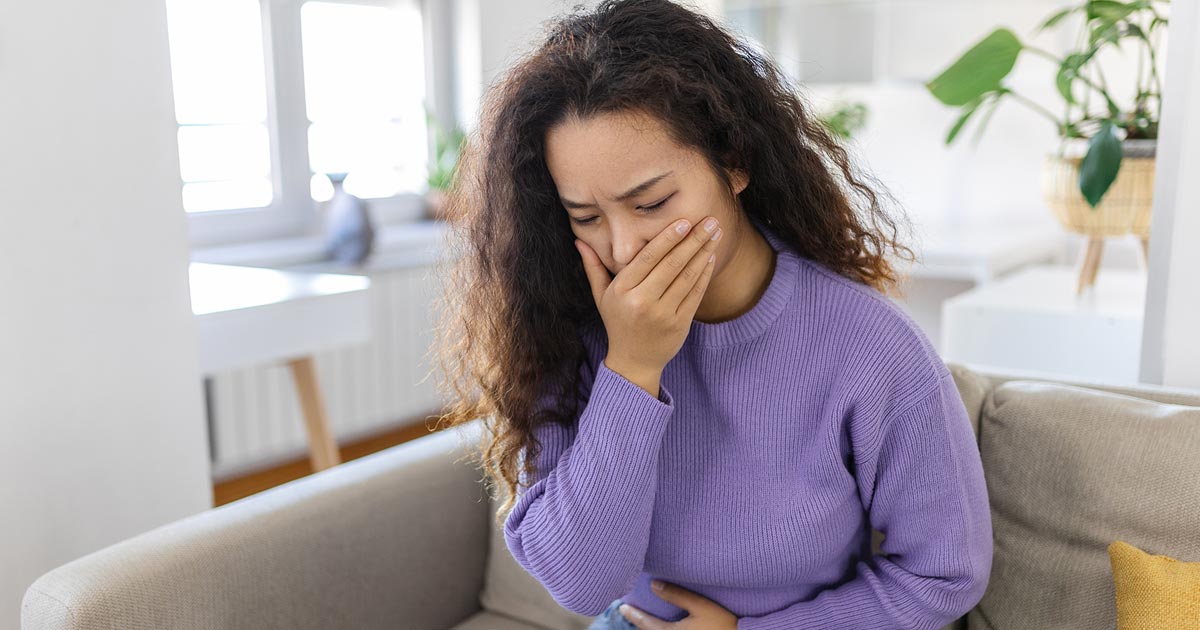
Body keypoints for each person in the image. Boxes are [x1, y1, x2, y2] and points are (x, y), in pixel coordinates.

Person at [428, 0, 993, 628]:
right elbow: (582, 585)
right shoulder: (567, 334)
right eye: (586, 216)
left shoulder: (872, 348)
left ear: (735, 161)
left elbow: (944, 574)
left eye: (651, 202)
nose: (623, 248)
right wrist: (633, 369)